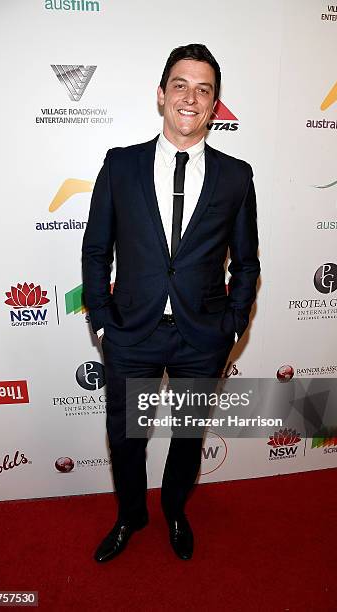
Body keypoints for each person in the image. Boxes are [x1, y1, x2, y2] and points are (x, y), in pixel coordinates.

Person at [82, 43, 260, 562]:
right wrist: (101, 323)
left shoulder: (236, 176)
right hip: (132, 333)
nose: (191, 97)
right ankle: (131, 516)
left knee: (187, 438)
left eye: (204, 90)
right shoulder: (120, 166)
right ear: (161, 95)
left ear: (214, 105)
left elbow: (246, 263)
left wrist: (232, 327)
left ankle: (176, 511)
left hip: (201, 336)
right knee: (128, 438)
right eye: (180, 85)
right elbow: (96, 249)